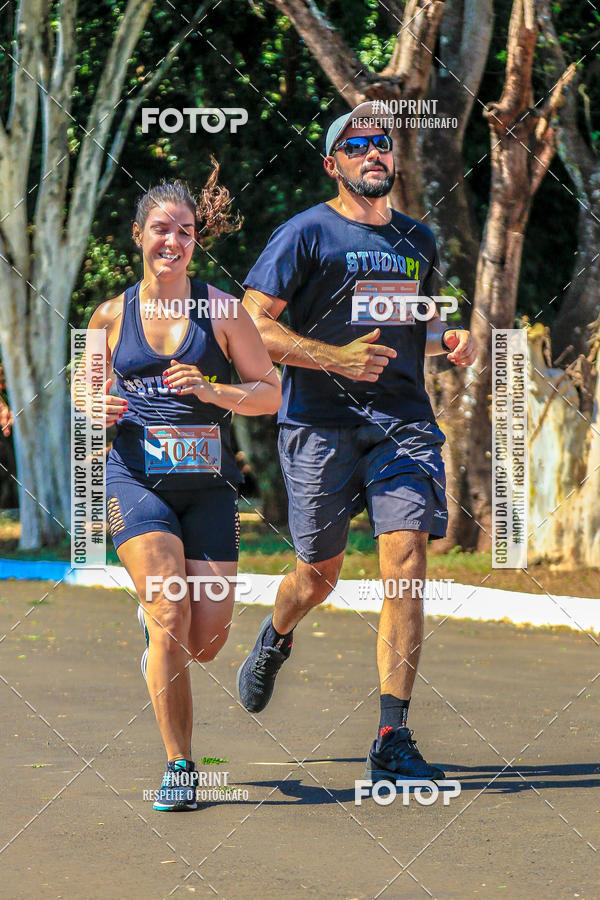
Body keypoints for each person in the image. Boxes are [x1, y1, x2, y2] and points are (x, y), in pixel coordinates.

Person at [237, 101, 477, 784]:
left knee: (405, 563)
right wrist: (331, 358)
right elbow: (253, 329)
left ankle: (391, 736)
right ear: (332, 163)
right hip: (318, 426)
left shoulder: (419, 240)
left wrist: (448, 339)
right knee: (319, 575)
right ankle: (276, 634)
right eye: (358, 144)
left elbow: (417, 327)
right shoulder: (304, 234)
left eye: (383, 142)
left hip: (401, 425)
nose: (375, 152)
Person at [81, 168, 280, 810]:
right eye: (160, 229)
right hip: (134, 479)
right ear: (138, 234)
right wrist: (98, 410)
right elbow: (85, 397)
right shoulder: (108, 316)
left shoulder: (222, 312)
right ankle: (181, 768)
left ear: (197, 241)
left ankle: (158, 643)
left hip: (209, 487)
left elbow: (269, 392)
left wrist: (211, 390)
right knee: (169, 610)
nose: (173, 241)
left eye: (185, 232)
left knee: (206, 642)